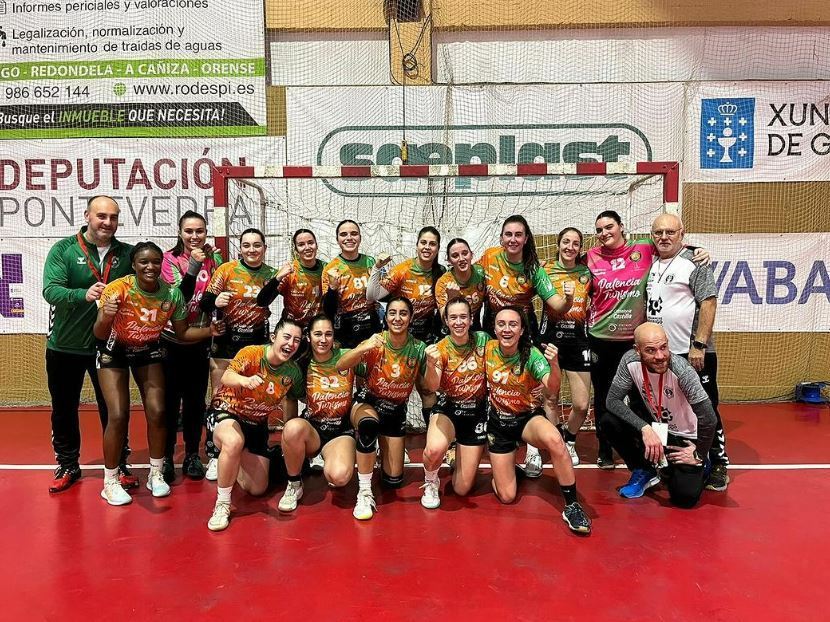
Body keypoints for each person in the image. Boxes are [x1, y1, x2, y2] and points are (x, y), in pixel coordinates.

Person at [93, 242, 223, 506]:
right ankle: (110, 482)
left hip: (147, 349)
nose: (150, 266)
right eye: (144, 262)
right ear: (134, 265)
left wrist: (210, 331)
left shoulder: (172, 294)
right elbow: (99, 333)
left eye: (154, 261)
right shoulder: (117, 289)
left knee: (158, 410)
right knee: (118, 414)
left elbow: (183, 333)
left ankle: (156, 473)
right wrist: (105, 317)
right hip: (114, 350)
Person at [587, 210, 707, 469]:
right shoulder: (591, 257)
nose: (604, 233)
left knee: (644, 399)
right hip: (601, 338)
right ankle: (605, 449)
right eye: (599, 230)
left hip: (635, 341)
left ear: (621, 227)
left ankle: (650, 452)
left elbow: (671, 246)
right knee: (604, 396)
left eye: (609, 227)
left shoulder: (643, 249)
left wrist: (697, 250)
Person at [42, 195, 135, 493]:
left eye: (113, 217)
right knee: (64, 408)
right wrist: (82, 294)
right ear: (87, 216)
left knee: (114, 409)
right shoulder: (63, 250)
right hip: (64, 346)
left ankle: (119, 463)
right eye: (101, 216)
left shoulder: (127, 253)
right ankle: (68, 463)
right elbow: (50, 290)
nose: (107, 222)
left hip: (109, 345)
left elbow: (147, 283)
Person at [478, 215, 574, 477]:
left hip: (523, 329)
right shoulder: (489, 257)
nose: (513, 239)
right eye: (508, 234)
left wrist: (568, 299)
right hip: (493, 325)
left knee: (531, 387)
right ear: (501, 237)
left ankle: (533, 449)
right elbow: (470, 279)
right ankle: (496, 440)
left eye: (518, 234)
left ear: (526, 238)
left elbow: (557, 304)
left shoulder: (533, 268)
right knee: (492, 382)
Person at [485, 306, 591, 535]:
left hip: (526, 420)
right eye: (501, 324)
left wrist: (554, 364)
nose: (506, 329)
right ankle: (508, 470)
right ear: (494, 328)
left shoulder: (531, 354)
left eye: (513, 324)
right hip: (499, 425)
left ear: (522, 330)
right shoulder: (487, 348)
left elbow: (552, 388)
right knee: (507, 496)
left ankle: (572, 506)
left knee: (555, 440)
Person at [336, 296, 439, 521]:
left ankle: (380, 450)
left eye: (403, 313)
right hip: (368, 404)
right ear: (386, 316)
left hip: (396, 412)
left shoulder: (418, 348)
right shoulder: (376, 342)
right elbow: (340, 365)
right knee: (368, 426)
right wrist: (363, 347)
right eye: (392, 313)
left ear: (411, 317)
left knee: (393, 481)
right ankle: (364, 492)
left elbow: (431, 388)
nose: (397, 318)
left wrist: (431, 365)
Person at [646, 213, 729, 491]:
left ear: (682, 234)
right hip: (662, 355)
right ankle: (667, 458)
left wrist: (699, 345)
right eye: (658, 232)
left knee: (706, 407)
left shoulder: (694, 261)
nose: (664, 237)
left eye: (670, 232)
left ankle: (718, 463)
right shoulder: (651, 262)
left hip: (692, 352)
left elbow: (709, 302)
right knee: (665, 407)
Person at [206, 319, 305, 531]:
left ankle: (233, 459)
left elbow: (295, 398)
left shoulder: (293, 372)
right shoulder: (252, 353)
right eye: (287, 337)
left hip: (257, 425)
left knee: (257, 488)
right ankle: (222, 504)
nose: (291, 344)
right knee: (233, 441)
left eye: (296, 340)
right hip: (227, 412)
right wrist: (244, 381)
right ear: (273, 337)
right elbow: (227, 376)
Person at [604, 323, 717, 508]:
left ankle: (703, 464)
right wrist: (644, 428)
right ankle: (644, 470)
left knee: (685, 497)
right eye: (651, 350)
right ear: (637, 351)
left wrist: (699, 454)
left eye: (663, 347)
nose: (660, 356)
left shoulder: (682, 371)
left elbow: (709, 418)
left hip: (685, 437)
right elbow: (612, 401)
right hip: (657, 428)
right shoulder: (629, 361)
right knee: (608, 422)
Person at [200, 228, 276, 481]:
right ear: (240, 248)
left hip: (257, 344)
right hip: (227, 342)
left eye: (257, 245)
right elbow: (204, 303)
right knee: (220, 397)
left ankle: (256, 445)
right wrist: (215, 301)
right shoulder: (226, 270)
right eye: (246, 245)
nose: (252, 250)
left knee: (257, 396)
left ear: (264, 248)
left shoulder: (272, 274)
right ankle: (214, 453)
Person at [160, 210, 223, 483]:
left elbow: (215, 296)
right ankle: (165, 457)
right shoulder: (169, 259)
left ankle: (192, 456)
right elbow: (180, 297)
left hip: (200, 339)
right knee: (170, 401)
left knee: (196, 400)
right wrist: (195, 265)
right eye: (189, 231)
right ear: (180, 232)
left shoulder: (215, 259)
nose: (195, 236)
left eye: (200, 231)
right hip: (171, 339)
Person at [278, 315, 359, 512]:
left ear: (334, 336)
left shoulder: (347, 357)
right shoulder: (301, 365)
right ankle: (294, 483)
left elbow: (370, 367)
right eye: (318, 334)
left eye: (328, 334)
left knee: (339, 477)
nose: (323, 339)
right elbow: (291, 397)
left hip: (340, 431)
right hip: (313, 431)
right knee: (292, 428)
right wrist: (289, 442)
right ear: (308, 336)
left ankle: (331, 456)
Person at [367, 226, 445, 429]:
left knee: (427, 389)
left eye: (432, 244)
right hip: (399, 336)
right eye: (423, 242)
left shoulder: (441, 273)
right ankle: (382, 431)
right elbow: (373, 295)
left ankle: (433, 434)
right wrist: (376, 268)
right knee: (393, 385)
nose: (427, 247)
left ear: (438, 248)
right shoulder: (402, 270)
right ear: (417, 245)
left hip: (425, 337)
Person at [420, 298, 489, 509]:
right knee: (434, 450)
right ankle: (431, 481)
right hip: (449, 409)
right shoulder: (440, 348)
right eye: (453, 318)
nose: (458, 322)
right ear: (447, 321)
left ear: (471, 319)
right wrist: (430, 364)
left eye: (463, 317)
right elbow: (432, 386)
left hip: (476, 413)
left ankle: (458, 454)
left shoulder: (483, 340)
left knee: (461, 488)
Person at [538, 227, 592, 467]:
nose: (570, 247)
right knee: (550, 399)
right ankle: (557, 441)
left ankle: (569, 439)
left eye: (575, 243)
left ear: (580, 248)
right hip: (550, 342)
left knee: (581, 404)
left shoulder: (587, 272)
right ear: (558, 244)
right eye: (566, 242)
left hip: (578, 342)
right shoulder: (544, 270)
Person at [322, 220, 381, 349]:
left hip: (371, 326)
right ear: (337, 240)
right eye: (343, 234)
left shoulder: (371, 262)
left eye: (354, 234)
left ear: (360, 238)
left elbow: (383, 294)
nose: (349, 238)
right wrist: (332, 288)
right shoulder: (331, 268)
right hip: (346, 332)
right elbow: (328, 310)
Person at [434, 237, 486, 330]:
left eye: (465, 253)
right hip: (451, 329)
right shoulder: (443, 283)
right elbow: (443, 320)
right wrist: (451, 300)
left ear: (472, 255)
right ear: (449, 260)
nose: (461, 259)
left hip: (474, 326)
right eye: (455, 256)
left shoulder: (481, 273)